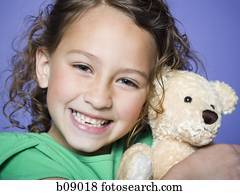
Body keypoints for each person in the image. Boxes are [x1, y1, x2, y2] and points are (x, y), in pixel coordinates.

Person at [0, 0, 239, 180]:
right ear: (45, 67)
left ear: (154, 92)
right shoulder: (21, 160)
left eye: (127, 81)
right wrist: (186, 179)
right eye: (83, 67)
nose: (99, 98)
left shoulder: (155, 148)